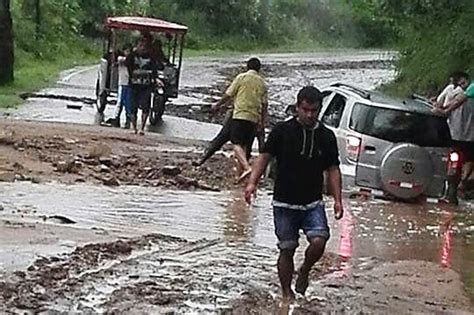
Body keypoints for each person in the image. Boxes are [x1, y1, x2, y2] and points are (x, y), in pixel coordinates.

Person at [244, 86, 344, 301]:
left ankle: (306, 269)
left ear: (319, 110)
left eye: (314, 111)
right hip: (284, 202)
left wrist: (338, 200)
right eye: (305, 110)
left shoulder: (326, 136)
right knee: (287, 249)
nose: (309, 115)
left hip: (312, 202)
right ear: (297, 107)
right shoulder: (281, 131)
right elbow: (264, 157)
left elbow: (333, 169)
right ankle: (287, 293)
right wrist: (252, 183)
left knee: (319, 241)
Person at [211, 57, 268, 181]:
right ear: (259, 69)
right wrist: (262, 123)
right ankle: (239, 176)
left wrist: (217, 105)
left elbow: (229, 94)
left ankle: (247, 168)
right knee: (245, 147)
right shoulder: (262, 83)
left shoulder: (241, 78)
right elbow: (264, 105)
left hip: (240, 115)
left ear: (247, 67)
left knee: (236, 145)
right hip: (253, 118)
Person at [440, 72, 473, 201]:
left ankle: (454, 188)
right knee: (466, 161)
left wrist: (445, 110)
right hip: (468, 138)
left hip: (456, 136)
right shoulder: (463, 94)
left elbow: (456, 103)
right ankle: (461, 184)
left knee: (455, 161)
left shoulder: (462, 95)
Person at [126, 35, 159, 135]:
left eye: (144, 46)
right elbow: (128, 65)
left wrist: (155, 79)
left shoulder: (152, 57)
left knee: (146, 106)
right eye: (140, 45)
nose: (142, 47)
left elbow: (155, 70)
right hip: (134, 84)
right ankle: (134, 127)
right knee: (132, 107)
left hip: (146, 85)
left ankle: (142, 128)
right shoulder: (132, 55)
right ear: (137, 46)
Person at [113, 45, 133, 129]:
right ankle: (117, 118)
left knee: (129, 103)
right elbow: (126, 61)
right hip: (122, 84)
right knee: (120, 102)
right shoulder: (121, 59)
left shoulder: (131, 61)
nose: (127, 53)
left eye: (129, 51)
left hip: (129, 84)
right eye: (126, 51)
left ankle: (128, 119)